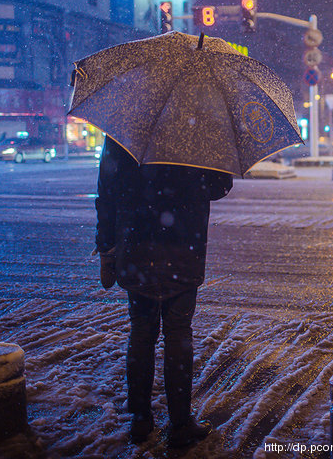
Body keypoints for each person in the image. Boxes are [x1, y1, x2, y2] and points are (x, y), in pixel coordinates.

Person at [95, 136, 233, 448]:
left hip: (136, 245)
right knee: (178, 332)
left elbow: (106, 190)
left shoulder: (126, 126)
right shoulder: (198, 127)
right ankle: (181, 422)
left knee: (142, 332)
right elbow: (218, 187)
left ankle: (141, 418)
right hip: (184, 246)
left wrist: (106, 246)